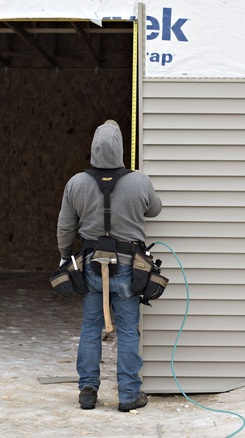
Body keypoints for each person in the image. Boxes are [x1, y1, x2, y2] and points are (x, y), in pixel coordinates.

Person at [56, 119, 162, 412]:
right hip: (130, 268)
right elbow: (155, 208)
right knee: (128, 331)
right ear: (120, 149)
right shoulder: (138, 181)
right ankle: (129, 395)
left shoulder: (76, 182)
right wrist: (141, 179)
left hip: (91, 266)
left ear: (93, 148)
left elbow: (65, 227)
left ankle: (88, 391)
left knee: (90, 328)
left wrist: (66, 257)